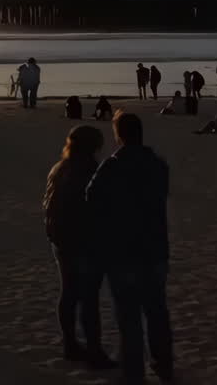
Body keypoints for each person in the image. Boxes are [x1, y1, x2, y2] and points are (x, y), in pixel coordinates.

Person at [86, 112, 173, 383]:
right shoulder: (157, 164)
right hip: (154, 248)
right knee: (156, 309)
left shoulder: (113, 166)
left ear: (119, 134)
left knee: (130, 316)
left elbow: (92, 196)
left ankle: (135, 371)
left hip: (123, 251)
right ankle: (163, 363)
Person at [43, 125, 116, 368]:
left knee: (69, 293)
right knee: (88, 297)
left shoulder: (58, 169)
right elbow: (98, 208)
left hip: (60, 238)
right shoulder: (89, 171)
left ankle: (70, 344)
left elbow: (49, 205)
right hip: (82, 241)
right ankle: (93, 349)